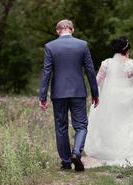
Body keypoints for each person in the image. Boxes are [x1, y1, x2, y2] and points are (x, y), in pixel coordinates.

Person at [84, 37, 133, 166]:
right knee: (129, 124)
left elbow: (96, 82)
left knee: (114, 124)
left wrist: (105, 90)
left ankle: (112, 152)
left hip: (110, 100)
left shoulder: (106, 63)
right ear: (127, 49)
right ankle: (131, 154)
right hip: (129, 99)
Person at [38, 19, 99, 171]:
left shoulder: (50, 46)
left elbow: (46, 73)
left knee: (61, 127)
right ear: (72, 30)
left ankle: (66, 162)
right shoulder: (82, 45)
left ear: (58, 31)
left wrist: (42, 96)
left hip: (58, 93)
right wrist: (95, 93)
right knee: (81, 125)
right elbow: (90, 71)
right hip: (78, 92)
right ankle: (77, 153)